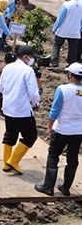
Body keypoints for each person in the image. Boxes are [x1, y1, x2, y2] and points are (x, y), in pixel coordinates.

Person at [34, 63, 82, 197]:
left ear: (70, 75)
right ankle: (66, 188)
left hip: (62, 129)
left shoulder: (62, 89)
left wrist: (49, 127)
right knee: (72, 159)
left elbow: (55, 110)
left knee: (53, 157)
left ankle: (48, 187)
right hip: (78, 131)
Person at [0, 45, 40, 174]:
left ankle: (6, 163)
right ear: (26, 57)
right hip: (22, 110)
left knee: (10, 134)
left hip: (8, 108)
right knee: (30, 136)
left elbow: (1, 88)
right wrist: (36, 103)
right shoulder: (28, 71)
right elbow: (33, 93)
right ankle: (14, 161)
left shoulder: (7, 67)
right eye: (31, 58)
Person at [51, 0, 82, 68]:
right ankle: (71, 64)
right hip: (75, 32)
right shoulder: (81, 6)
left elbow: (60, 19)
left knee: (56, 46)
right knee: (73, 49)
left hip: (63, 31)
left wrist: (55, 28)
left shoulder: (66, 5)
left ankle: (54, 62)